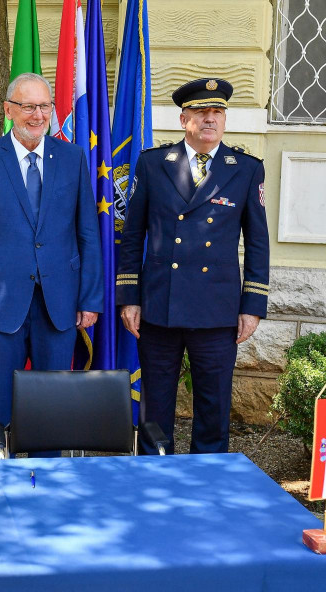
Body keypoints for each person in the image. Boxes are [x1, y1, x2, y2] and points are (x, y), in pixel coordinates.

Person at [0, 73, 104, 458]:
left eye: (45, 106)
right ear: (9, 110)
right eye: (29, 106)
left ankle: (47, 484)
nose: (38, 115)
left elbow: (87, 232)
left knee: (52, 404)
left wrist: (90, 298)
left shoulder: (72, 158)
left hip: (60, 302)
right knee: (0, 409)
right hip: (0, 305)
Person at [116, 78, 270, 455]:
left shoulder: (246, 169)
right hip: (159, 307)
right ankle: (154, 481)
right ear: (184, 118)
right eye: (202, 112)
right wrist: (129, 297)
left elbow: (258, 242)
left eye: (217, 112)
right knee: (156, 408)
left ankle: (208, 486)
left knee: (213, 408)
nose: (210, 119)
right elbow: (133, 235)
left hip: (217, 312)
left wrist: (252, 307)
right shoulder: (154, 164)